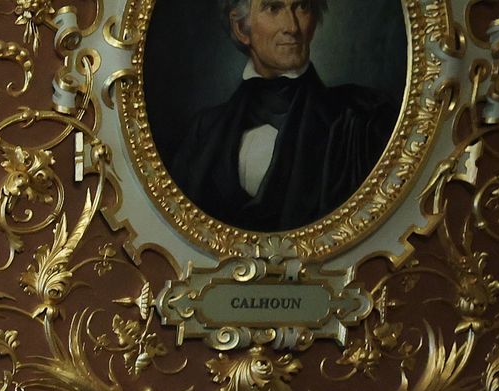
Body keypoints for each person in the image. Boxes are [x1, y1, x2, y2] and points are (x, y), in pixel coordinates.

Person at [165, 0, 394, 232]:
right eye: (273, 8)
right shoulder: (204, 132)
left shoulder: (360, 123)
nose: (292, 27)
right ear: (241, 29)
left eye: (302, 6)